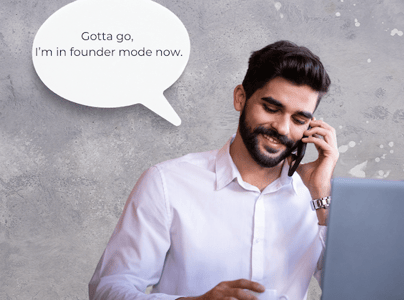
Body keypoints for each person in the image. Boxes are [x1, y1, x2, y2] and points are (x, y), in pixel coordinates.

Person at [88, 40, 339, 300]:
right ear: (240, 98)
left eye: (299, 119)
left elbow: (355, 289)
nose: (283, 129)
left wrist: (321, 198)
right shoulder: (167, 182)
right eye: (271, 108)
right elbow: (108, 290)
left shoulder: (319, 200)